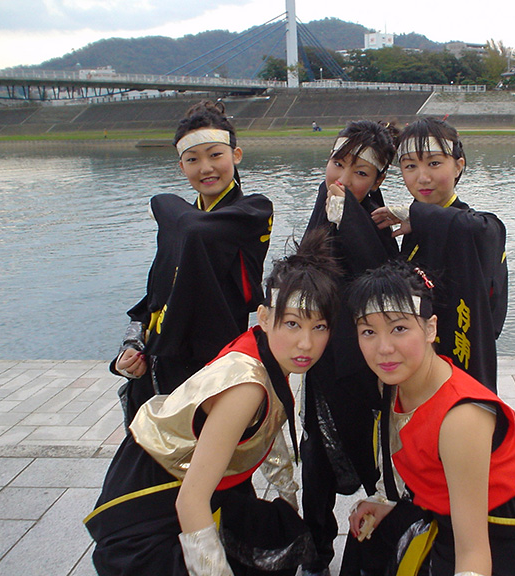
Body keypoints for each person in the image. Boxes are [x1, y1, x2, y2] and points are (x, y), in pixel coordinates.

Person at [85, 230, 340, 576]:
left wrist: (287, 495)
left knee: (281, 532)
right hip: (148, 501)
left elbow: (267, 429)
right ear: (264, 318)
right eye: (292, 324)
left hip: (179, 477)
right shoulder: (246, 389)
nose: (306, 343)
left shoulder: (261, 348)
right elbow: (190, 501)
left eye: (319, 326)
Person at [344, 261, 515, 576]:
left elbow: (473, 553)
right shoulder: (393, 381)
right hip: (446, 514)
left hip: (504, 542)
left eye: (399, 328)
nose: (383, 348)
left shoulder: (461, 418)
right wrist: (389, 501)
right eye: (368, 332)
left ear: (430, 329)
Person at [110, 100, 273, 426]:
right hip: (158, 366)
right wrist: (131, 347)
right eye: (193, 159)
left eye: (215, 155)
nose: (206, 168)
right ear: (181, 167)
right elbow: (155, 297)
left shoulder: (253, 212)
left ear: (236, 155)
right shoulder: (179, 223)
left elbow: (193, 227)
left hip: (213, 369)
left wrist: (161, 204)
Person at [301, 120, 400, 576]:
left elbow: (382, 278)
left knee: (377, 458)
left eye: (360, 173)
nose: (342, 179)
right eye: (337, 164)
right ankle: (315, 553)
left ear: (378, 181)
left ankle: (384, 543)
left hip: (369, 364)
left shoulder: (377, 219)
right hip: (324, 364)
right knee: (316, 460)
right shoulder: (325, 203)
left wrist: (349, 220)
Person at [372, 117, 508, 392]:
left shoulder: (472, 226)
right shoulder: (415, 226)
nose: (422, 177)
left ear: (458, 166)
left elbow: (486, 230)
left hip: (455, 366)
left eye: (434, 163)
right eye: (410, 166)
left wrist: (417, 215)